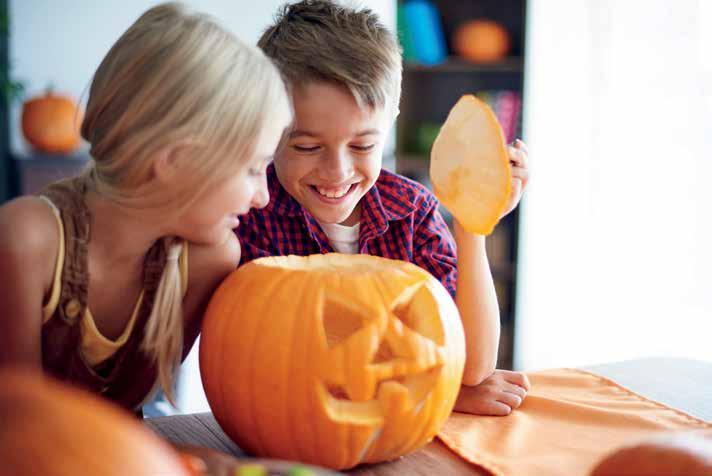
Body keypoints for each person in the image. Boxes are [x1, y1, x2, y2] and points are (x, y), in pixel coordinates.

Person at [236, 0, 531, 415]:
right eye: (307, 146)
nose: (337, 171)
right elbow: (275, 369)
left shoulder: (412, 212)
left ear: (390, 120)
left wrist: (473, 224)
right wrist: (435, 394)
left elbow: (473, 366)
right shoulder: (251, 214)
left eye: (362, 145)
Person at [0, 2, 292, 416]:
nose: (262, 196)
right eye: (252, 169)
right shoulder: (25, 240)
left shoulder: (209, 262)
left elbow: (128, 419)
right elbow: (18, 425)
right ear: (175, 161)